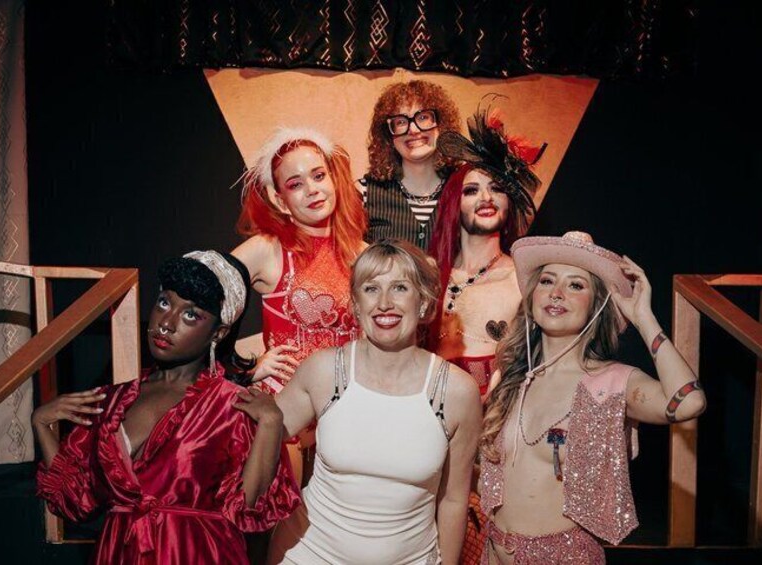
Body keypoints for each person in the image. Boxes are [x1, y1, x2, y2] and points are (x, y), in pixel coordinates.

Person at [33, 251, 300, 564]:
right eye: (164, 302)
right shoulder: (111, 401)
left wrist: (270, 422)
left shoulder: (232, 406)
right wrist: (41, 423)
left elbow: (249, 510)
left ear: (218, 333)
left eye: (191, 315)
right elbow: (75, 502)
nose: (167, 323)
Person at [479, 231, 707, 564]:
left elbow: (689, 401)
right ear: (531, 296)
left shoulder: (612, 383)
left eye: (576, 285)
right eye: (547, 281)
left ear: (597, 305)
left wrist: (644, 319)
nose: (557, 293)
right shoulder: (511, 378)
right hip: (493, 552)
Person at [268, 239, 482, 565]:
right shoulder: (324, 370)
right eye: (371, 289)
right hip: (307, 555)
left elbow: (453, 499)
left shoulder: (456, 392)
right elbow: (257, 436)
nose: (384, 303)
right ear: (356, 305)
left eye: (400, 288)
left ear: (423, 302)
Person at [231, 127, 367, 483]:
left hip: (349, 417)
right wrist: (243, 369)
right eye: (295, 184)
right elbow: (196, 295)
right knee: (286, 516)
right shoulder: (268, 249)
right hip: (286, 421)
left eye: (319, 176)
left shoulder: (364, 256)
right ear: (280, 200)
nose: (312, 189)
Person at [430, 105, 546, 397]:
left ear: (509, 202)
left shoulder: (521, 280)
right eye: (471, 190)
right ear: (454, 202)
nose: (486, 197)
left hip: (491, 414)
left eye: (497, 188)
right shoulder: (429, 272)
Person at [362, 80, 462, 249]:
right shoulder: (363, 192)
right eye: (401, 122)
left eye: (423, 117)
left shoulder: (465, 187)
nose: (413, 130)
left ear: (441, 125)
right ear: (389, 135)